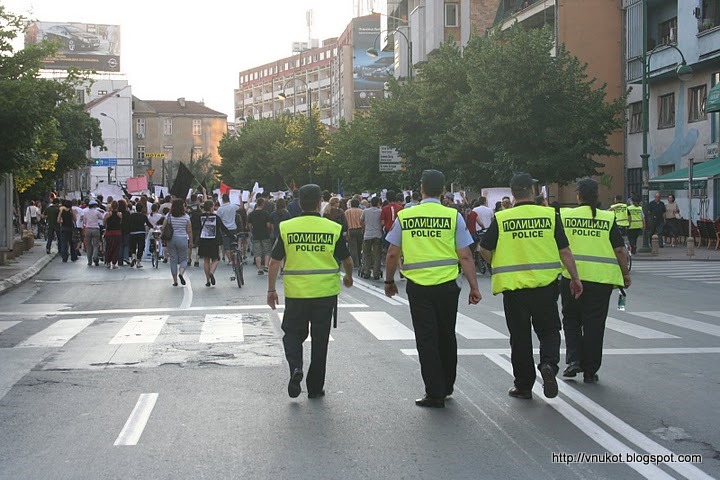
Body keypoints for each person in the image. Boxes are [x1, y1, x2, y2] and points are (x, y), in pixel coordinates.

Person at [479, 172, 583, 400]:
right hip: (544, 287)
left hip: (514, 290)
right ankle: (548, 365)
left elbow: (483, 249)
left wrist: (498, 262)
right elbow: (565, 251)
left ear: (512, 193)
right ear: (533, 191)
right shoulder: (550, 215)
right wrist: (575, 278)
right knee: (549, 331)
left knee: (520, 337)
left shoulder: (502, 218)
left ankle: (523, 386)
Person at [384, 170, 482, 408]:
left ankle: (434, 392)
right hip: (448, 285)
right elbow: (466, 255)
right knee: (447, 335)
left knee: (426, 338)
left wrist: (389, 281)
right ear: (442, 191)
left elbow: (393, 252)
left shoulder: (406, 216)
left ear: (421, 189)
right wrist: (474, 286)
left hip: (418, 287)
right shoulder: (453, 216)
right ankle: (448, 385)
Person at [267, 184, 354, 399]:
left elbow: (274, 261)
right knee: (320, 339)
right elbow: (347, 259)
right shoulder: (332, 228)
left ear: (298, 203)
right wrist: (349, 276)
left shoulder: (287, 227)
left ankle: (296, 367)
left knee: (292, 334)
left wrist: (271, 290)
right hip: (325, 293)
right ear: (318, 203)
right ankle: (315, 388)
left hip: (297, 293)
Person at [560, 179, 631, 384]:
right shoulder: (608, 218)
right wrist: (625, 275)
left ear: (578, 196)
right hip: (601, 281)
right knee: (594, 324)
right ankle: (590, 370)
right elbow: (619, 250)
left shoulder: (566, 215)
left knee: (571, 319)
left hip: (572, 278)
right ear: (597, 196)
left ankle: (573, 361)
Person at [198, 200, 230, 287]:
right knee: (215, 259)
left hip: (203, 240)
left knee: (206, 260)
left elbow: (196, 228)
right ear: (212, 207)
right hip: (214, 241)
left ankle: (207, 279)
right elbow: (223, 228)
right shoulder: (216, 217)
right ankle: (211, 272)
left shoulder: (200, 217)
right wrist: (231, 236)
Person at [162, 199, 193, 286]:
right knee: (183, 259)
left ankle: (175, 281)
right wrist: (191, 242)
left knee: (173, 260)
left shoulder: (169, 216)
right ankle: (181, 273)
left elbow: (163, 227)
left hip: (171, 239)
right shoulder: (186, 217)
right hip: (183, 238)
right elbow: (189, 231)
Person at [247, 197, 273, 275]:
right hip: (265, 234)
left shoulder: (251, 214)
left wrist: (252, 231)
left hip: (256, 234)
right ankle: (266, 266)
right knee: (267, 251)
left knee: (257, 252)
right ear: (263, 204)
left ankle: (259, 268)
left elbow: (249, 225)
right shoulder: (266, 213)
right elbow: (268, 225)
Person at [360, 197, 383, 279]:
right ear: (378, 203)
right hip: (377, 234)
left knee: (366, 254)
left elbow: (361, 221)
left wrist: (364, 227)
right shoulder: (380, 211)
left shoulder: (365, 211)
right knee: (377, 255)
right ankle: (376, 273)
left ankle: (367, 271)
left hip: (368, 234)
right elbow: (382, 222)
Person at [216, 194, 240, 264]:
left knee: (226, 245)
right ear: (229, 199)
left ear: (222, 200)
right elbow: (241, 208)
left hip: (224, 229)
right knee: (233, 243)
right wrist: (240, 198)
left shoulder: (220, 209)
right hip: (233, 227)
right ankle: (234, 258)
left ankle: (230, 260)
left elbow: (218, 218)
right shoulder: (233, 206)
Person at [128, 204, 154, 269]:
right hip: (141, 232)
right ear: (141, 209)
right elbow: (148, 224)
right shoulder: (143, 216)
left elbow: (128, 223)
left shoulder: (131, 215)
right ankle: (138, 262)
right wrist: (153, 227)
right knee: (141, 247)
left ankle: (133, 256)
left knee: (133, 246)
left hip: (133, 232)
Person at [83, 200, 104, 266]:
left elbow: (84, 221)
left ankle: (89, 261)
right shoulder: (97, 212)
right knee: (96, 245)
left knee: (88, 246)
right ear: (95, 205)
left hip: (88, 229)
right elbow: (102, 218)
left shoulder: (85, 212)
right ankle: (95, 256)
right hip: (95, 229)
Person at [344, 198, 364, 268]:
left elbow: (345, 223)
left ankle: (355, 263)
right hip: (359, 230)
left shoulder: (347, 212)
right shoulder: (361, 211)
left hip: (351, 230)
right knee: (359, 246)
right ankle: (359, 260)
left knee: (353, 247)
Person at [103, 201, 123, 269]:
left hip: (109, 232)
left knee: (108, 247)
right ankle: (114, 263)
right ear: (117, 206)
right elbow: (121, 222)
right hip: (117, 232)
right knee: (116, 248)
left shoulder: (108, 214)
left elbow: (104, 223)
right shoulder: (119, 214)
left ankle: (108, 262)